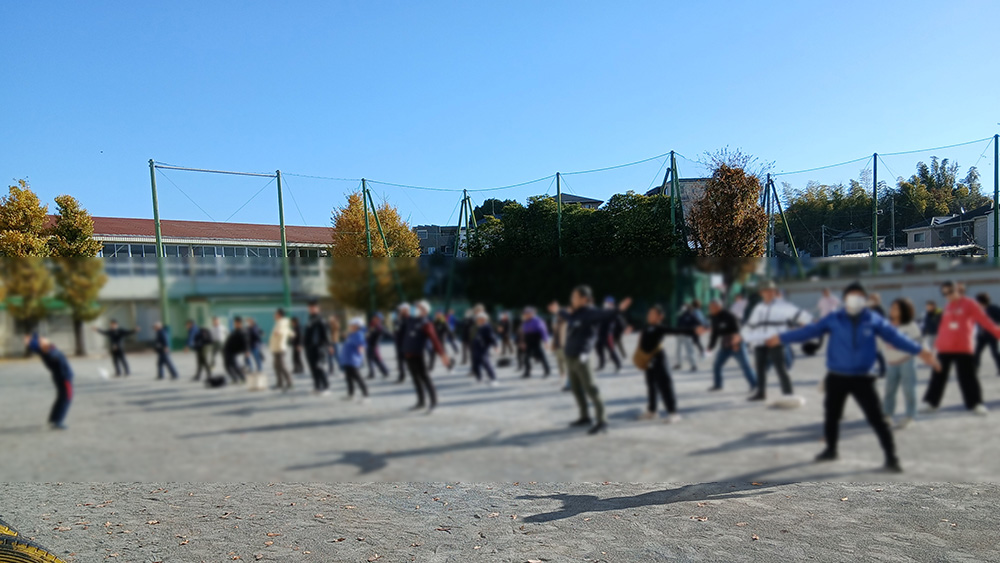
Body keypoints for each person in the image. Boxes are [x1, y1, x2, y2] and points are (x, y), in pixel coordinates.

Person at [770, 282, 938, 473]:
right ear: (844, 299)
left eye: (859, 296)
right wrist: (783, 338)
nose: (855, 299)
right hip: (837, 376)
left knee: (877, 419)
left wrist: (919, 350)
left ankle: (891, 457)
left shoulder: (873, 319)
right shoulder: (834, 318)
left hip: (862, 378)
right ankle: (831, 450)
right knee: (831, 416)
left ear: (865, 299)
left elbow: (894, 337)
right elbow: (810, 331)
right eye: (851, 296)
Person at [548, 286, 632, 436]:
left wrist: (619, 309)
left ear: (584, 299)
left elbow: (608, 314)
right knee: (575, 388)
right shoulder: (576, 313)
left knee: (591, 388)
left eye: (574, 296)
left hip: (582, 357)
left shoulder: (591, 312)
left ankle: (603, 421)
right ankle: (584, 417)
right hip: (570, 355)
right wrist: (558, 311)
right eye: (572, 296)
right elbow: (568, 317)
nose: (571, 298)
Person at [922, 281, 1000, 415]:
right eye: (944, 293)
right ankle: (932, 403)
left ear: (957, 289)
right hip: (945, 348)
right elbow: (943, 327)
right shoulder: (947, 307)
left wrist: (997, 332)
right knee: (938, 375)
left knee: (967, 377)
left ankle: (975, 404)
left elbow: (984, 320)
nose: (948, 295)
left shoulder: (969, 304)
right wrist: (937, 346)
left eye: (950, 291)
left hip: (963, 347)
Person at [635, 304, 706, 423]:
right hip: (648, 362)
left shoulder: (659, 328)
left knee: (666, 386)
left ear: (660, 317)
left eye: (652, 314)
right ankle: (652, 411)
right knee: (651, 386)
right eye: (649, 313)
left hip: (659, 360)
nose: (649, 315)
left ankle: (674, 413)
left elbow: (675, 330)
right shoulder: (646, 327)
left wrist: (693, 330)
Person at [742, 280, 811, 401]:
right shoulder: (758, 307)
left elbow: (801, 315)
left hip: (776, 341)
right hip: (760, 342)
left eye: (771, 290)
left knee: (781, 369)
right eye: (766, 290)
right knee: (760, 369)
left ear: (775, 292)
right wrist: (742, 336)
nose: (769, 293)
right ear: (761, 293)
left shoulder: (782, 305)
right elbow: (750, 324)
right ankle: (761, 393)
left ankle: (788, 394)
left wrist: (808, 323)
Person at [402, 300, 451, 412]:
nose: (415, 308)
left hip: (419, 354)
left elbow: (434, 339)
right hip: (408, 353)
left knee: (425, 378)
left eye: (418, 307)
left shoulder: (426, 323)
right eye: (415, 307)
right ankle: (421, 401)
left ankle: (433, 402)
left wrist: (442, 354)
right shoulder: (410, 320)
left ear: (425, 311)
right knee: (415, 379)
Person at [882, 298, 921, 429]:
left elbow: (919, 343)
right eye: (891, 307)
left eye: (896, 308)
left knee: (909, 389)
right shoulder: (885, 324)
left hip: (907, 362)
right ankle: (886, 414)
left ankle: (910, 415)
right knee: (889, 389)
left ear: (904, 310)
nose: (892, 310)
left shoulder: (911, 325)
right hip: (891, 362)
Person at [25, 333, 74, 430]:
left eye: (44, 338)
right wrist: (33, 343)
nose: (44, 339)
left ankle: (53, 419)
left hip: (60, 377)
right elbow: (52, 355)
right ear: (39, 344)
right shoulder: (47, 351)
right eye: (41, 339)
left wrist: (31, 341)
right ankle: (58, 421)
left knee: (61, 398)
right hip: (64, 378)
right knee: (66, 399)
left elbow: (37, 346)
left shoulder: (46, 348)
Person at [706, 299, 757, 392]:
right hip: (725, 344)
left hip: (737, 343)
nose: (710, 309)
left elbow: (738, 331)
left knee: (745, 366)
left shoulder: (729, 316)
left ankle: (755, 385)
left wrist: (736, 343)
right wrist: (710, 347)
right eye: (710, 307)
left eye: (712, 307)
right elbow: (715, 333)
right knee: (717, 365)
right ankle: (718, 385)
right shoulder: (713, 317)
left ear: (719, 307)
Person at [303, 299, 331, 395]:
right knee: (313, 368)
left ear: (318, 308)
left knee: (320, 367)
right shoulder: (310, 319)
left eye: (314, 307)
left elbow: (326, 333)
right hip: (310, 348)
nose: (311, 309)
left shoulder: (321, 320)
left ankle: (326, 388)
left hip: (319, 347)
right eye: (310, 307)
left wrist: (329, 345)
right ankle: (317, 387)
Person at [338, 317, 370, 402]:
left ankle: (366, 395)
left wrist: (361, 350)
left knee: (358, 377)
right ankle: (351, 394)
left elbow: (362, 345)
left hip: (353, 360)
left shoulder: (358, 334)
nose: (350, 326)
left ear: (357, 326)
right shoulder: (352, 334)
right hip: (347, 360)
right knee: (348, 378)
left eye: (351, 325)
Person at [520, 307, 551, 378]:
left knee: (542, 357)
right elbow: (524, 333)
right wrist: (523, 342)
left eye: (527, 314)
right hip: (528, 341)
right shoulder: (525, 322)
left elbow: (543, 331)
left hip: (536, 340)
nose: (525, 315)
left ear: (532, 313)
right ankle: (527, 372)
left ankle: (547, 370)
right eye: (525, 314)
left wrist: (546, 341)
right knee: (526, 358)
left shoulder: (538, 321)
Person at [974, 293, 1000, 376]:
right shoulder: (977, 310)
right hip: (981, 335)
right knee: (976, 352)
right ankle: (974, 369)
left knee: (994, 352)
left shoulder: (993, 308)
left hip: (991, 335)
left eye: (977, 301)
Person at [470, 311, 499, 385]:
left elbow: (492, 337)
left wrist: (495, 345)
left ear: (483, 319)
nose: (477, 321)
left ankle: (493, 378)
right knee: (475, 364)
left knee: (486, 363)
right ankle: (479, 378)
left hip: (483, 348)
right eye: (477, 319)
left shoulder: (487, 327)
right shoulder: (480, 327)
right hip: (477, 347)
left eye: (478, 319)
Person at [596, 297, 623, 373]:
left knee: (611, 350)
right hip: (600, 334)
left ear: (612, 304)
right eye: (606, 302)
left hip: (608, 334)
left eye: (609, 303)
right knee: (599, 349)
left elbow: (620, 322)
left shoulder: (614, 312)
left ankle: (618, 365)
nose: (606, 304)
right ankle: (601, 365)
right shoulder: (602, 311)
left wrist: (619, 331)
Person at [269, 308, 294, 392]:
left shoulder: (282, 322)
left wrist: (280, 332)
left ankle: (289, 383)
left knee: (282, 366)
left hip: (280, 348)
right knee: (277, 367)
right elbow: (291, 333)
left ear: (279, 315)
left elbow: (281, 331)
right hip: (277, 348)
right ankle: (280, 383)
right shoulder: (281, 322)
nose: (274, 315)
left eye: (275, 314)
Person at [673, 303, 700, 372]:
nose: (682, 308)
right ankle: (678, 364)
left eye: (684, 307)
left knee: (689, 350)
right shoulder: (681, 315)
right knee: (678, 350)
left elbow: (698, 323)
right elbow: (678, 324)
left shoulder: (691, 315)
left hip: (688, 334)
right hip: (680, 334)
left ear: (687, 308)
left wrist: (692, 330)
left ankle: (693, 365)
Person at [223, 316, 249, 384]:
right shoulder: (235, 330)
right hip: (228, 351)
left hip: (233, 351)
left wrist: (246, 350)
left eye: (236, 323)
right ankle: (235, 379)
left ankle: (243, 378)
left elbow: (246, 342)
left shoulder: (242, 331)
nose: (234, 324)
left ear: (239, 323)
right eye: (234, 323)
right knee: (227, 366)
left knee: (235, 366)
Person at [366, 314, 390, 379]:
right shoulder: (371, 325)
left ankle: (385, 371)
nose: (375, 319)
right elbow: (368, 333)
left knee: (377, 359)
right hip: (369, 344)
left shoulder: (379, 327)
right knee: (369, 359)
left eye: (377, 318)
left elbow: (386, 333)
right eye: (374, 318)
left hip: (374, 345)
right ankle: (371, 373)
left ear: (379, 320)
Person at [868, 294, 887, 377]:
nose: (872, 301)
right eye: (871, 299)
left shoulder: (880, 309)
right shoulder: (868, 308)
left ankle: (883, 370)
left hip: (877, 334)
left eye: (874, 299)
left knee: (877, 352)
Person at [394, 303, 411, 383]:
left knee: (409, 360)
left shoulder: (409, 319)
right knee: (400, 360)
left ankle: (418, 375)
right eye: (399, 309)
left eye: (401, 309)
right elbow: (396, 329)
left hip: (405, 343)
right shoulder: (399, 319)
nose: (399, 310)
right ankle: (402, 376)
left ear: (406, 310)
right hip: (399, 342)